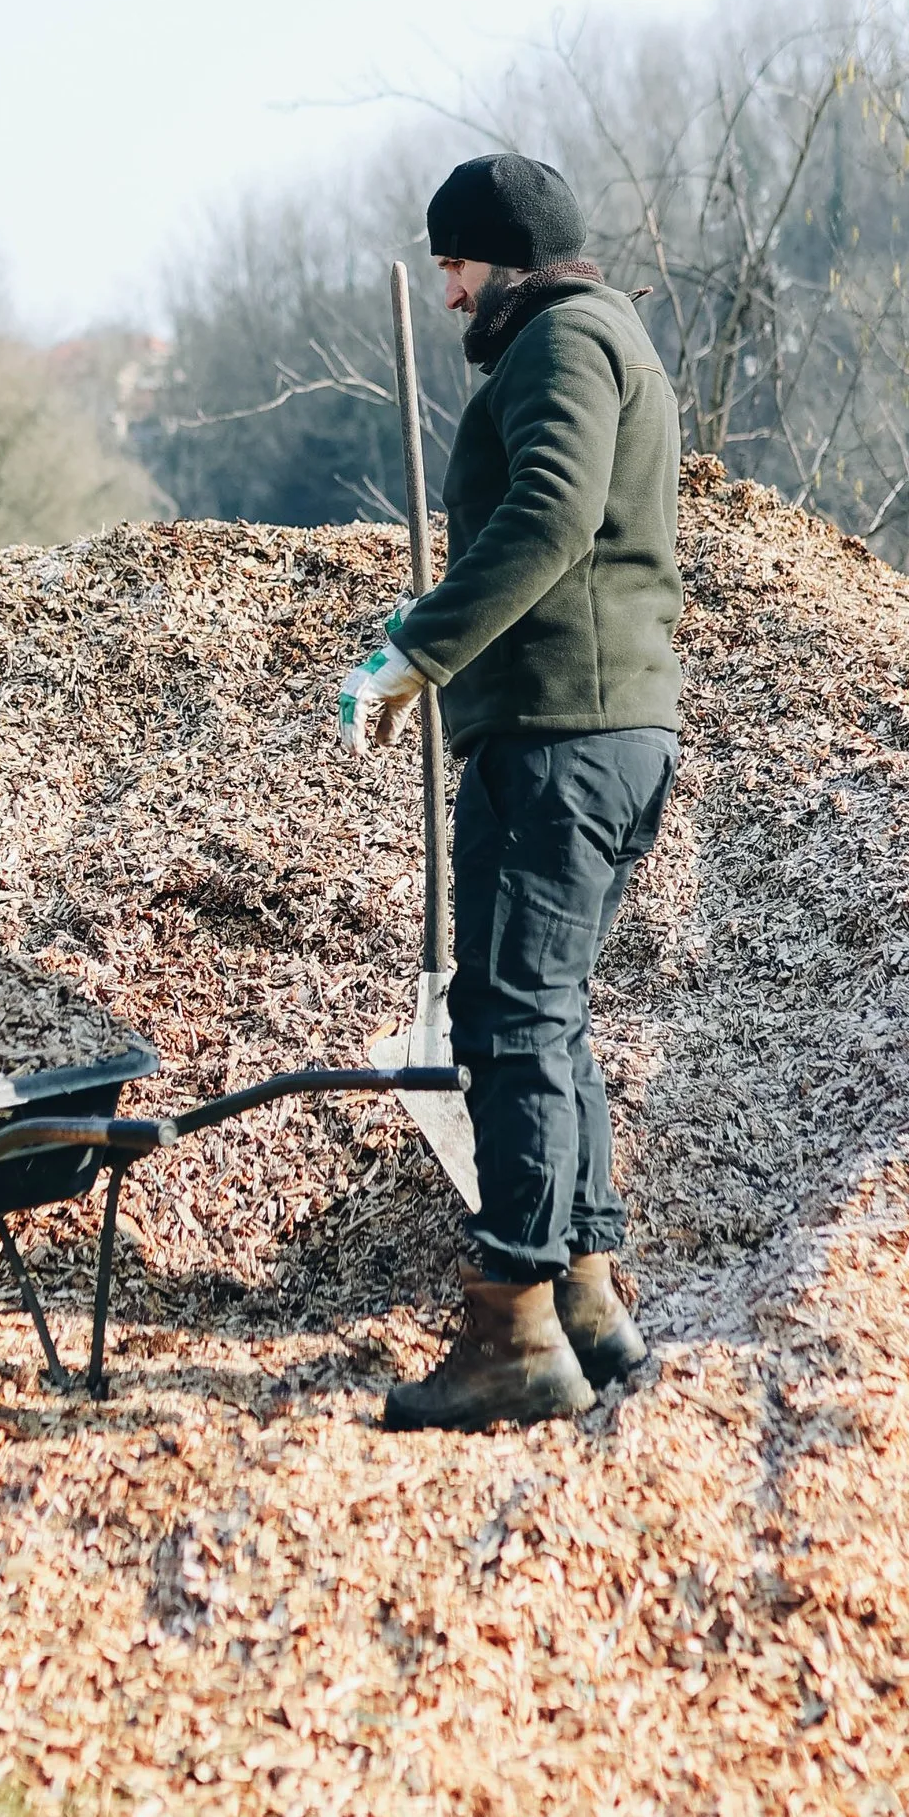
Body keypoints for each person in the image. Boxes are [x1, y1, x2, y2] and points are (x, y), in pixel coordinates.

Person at [339, 153, 681, 1430]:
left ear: (509, 262)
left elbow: (545, 518)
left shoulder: (558, 344)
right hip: (601, 726)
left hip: (557, 737)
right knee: (550, 1015)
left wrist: (412, 658)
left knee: (512, 1025)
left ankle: (515, 1331)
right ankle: (588, 1296)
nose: (446, 294)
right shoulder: (603, 339)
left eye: (457, 266)